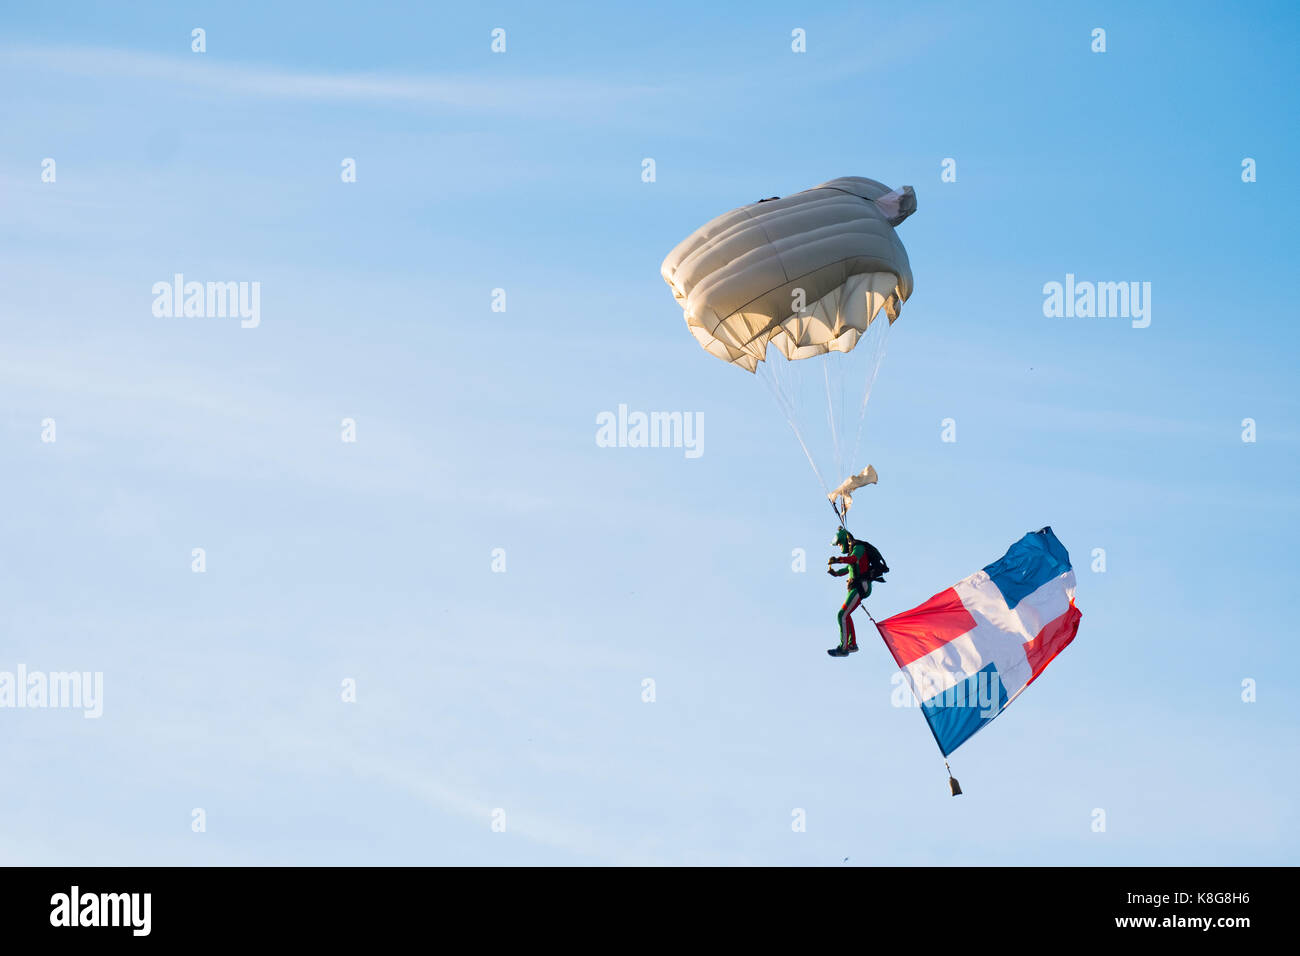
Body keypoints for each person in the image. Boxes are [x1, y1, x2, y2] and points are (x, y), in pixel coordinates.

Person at [825, 527, 887, 658]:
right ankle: (852, 644)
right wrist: (835, 573)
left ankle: (844, 647)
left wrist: (838, 559)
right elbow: (848, 568)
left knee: (841, 614)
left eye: (840, 544)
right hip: (855, 587)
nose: (840, 546)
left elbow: (853, 559)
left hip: (860, 586)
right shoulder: (852, 551)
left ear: (844, 541)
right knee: (845, 615)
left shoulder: (858, 548)